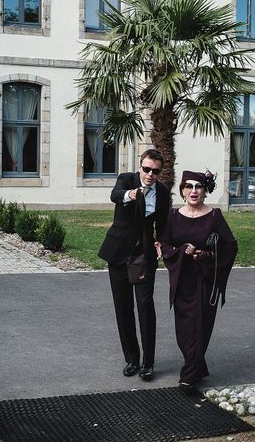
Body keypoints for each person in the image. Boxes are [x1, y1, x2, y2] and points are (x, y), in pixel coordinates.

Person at [158, 170, 238, 387]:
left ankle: (189, 376)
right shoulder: (173, 216)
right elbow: (164, 244)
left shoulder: (214, 217)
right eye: (189, 187)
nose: (194, 191)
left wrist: (203, 254)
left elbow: (230, 247)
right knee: (184, 332)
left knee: (199, 327)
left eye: (198, 187)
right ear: (182, 191)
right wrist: (182, 250)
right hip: (182, 279)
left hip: (204, 278)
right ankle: (198, 365)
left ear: (204, 191)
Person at [98, 149, 170, 380]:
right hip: (118, 252)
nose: (150, 174)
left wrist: (161, 242)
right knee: (123, 307)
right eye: (147, 169)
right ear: (140, 166)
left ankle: (148, 363)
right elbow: (115, 195)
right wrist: (132, 194)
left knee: (145, 307)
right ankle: (132, 359)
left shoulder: (162, 192)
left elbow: (163, 223)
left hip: (143, 255)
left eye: (155, 171)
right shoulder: (126, 179)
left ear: (160, 172)